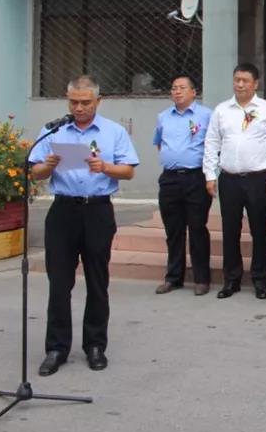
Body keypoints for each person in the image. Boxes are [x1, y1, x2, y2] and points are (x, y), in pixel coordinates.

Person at [31, 75, 139, 376]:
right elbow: (35, 172)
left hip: (97, 211)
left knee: (97, 280)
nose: (79, 108)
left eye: (85, 102)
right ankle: (56, 348)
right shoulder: (54, 130)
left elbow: (128, 171)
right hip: (63, 211)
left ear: (98, 101)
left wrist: (105, 167)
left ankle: (95, 345)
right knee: (59, 283)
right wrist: (48, 165)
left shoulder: (113, 132)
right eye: (74, 102)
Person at [203, 63, 266, 300]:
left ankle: (259, 278)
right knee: (230, 230)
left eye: (245, 80)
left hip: (259, 179)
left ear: (255, 84)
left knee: (259, 230)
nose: (240, 84)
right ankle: (231, 279)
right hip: (229, 179)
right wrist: (210, 175)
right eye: (237, 80)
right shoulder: (222, 110)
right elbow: (212, 143)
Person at [153, 74, 213, 296]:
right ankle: (173, 277)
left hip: (196, 178)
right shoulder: (163, 117)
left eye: (182, 87)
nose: (177, 91)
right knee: (173, 230)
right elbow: (159, 144)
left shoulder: (206, 115)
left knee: (197, 228)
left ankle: (201, 278)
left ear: (193, 92)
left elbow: (213, 145)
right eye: (173, 88)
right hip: (169, 179)